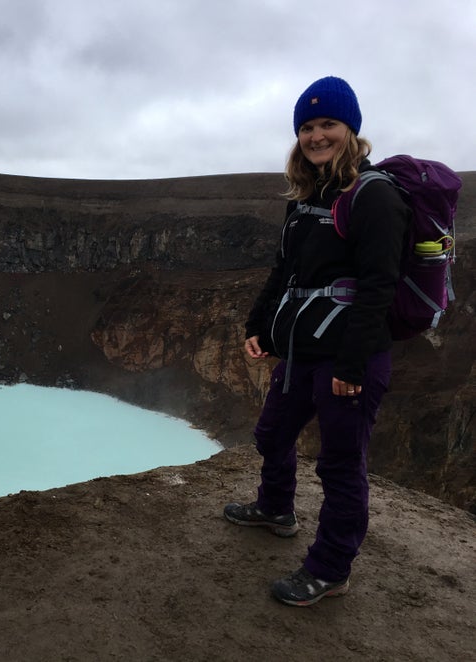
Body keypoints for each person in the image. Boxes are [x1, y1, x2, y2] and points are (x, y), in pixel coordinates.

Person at [223, 76, 411, 606]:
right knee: (272, 433)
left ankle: (330, 568)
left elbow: (379, 287)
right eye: (306, 126)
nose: (315, 135)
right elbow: (285, 268)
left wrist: (351, 367)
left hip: (349, 358)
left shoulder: (374, 196)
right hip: (302, 351)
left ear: (351, 129)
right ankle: (276, 508)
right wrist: (257, 326)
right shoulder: (308, 195)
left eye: (327, 123)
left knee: (340, 465)